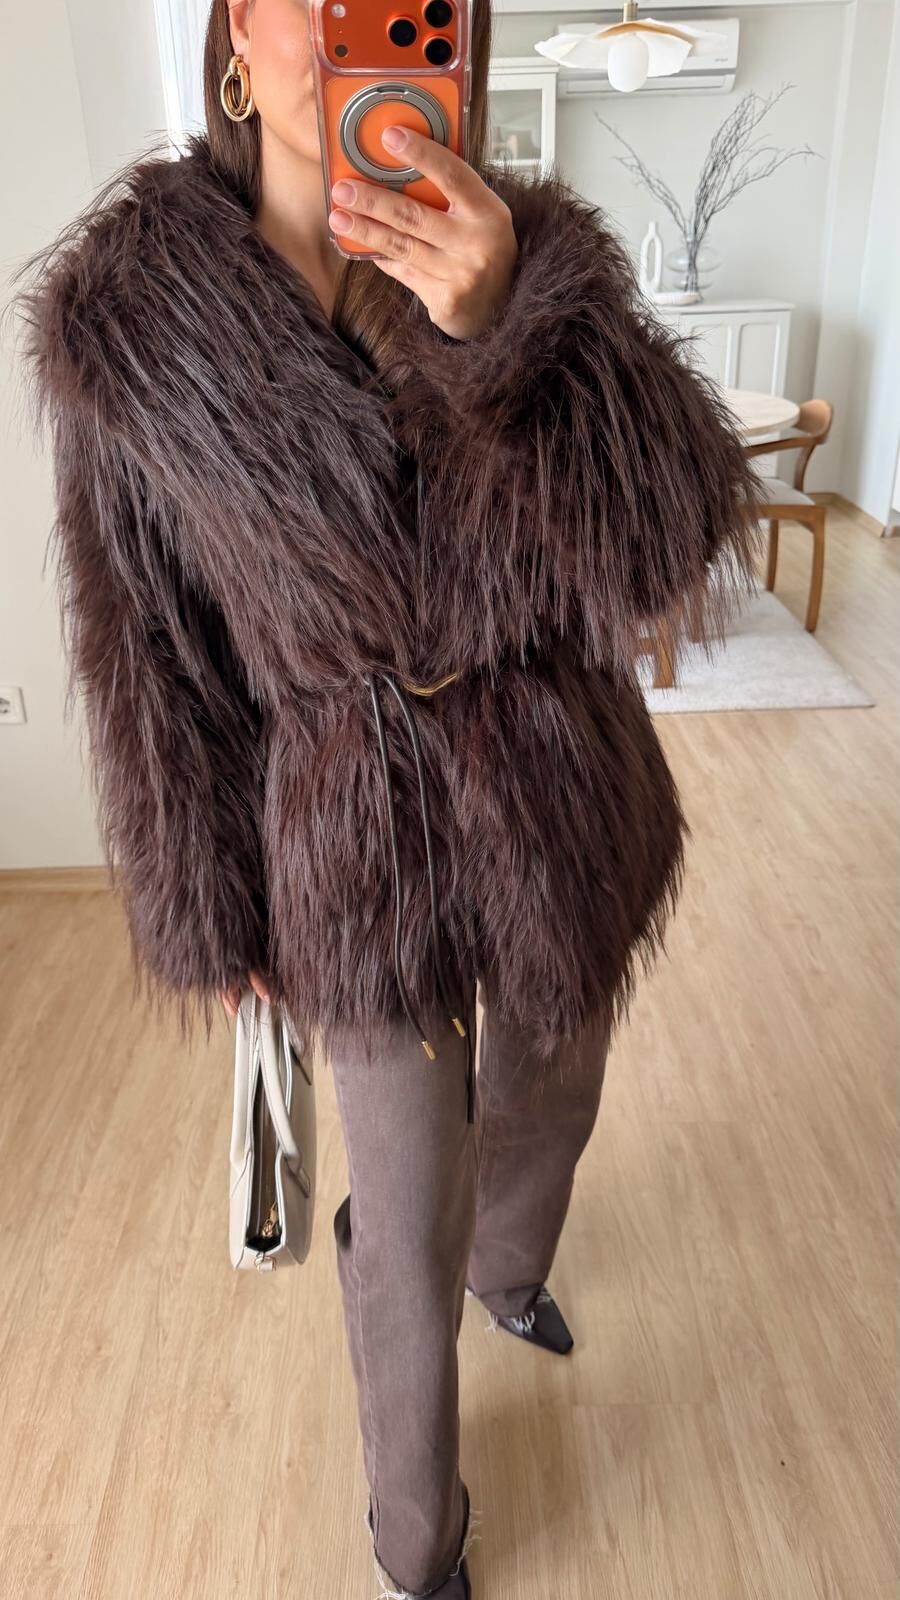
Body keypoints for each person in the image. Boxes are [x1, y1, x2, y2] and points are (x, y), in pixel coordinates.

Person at [10, 2, 762, 1594]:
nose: (355, 23)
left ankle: (516, 1268)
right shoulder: (130, 331)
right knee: (402, 1208)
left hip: (556, 780)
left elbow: (673, 540)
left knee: (550, 1093)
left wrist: (512, 332)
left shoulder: (526, 253)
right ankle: (417, 1544)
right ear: (237, 34)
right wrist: (206, 907)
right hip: (347, 828)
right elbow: (146, 652)